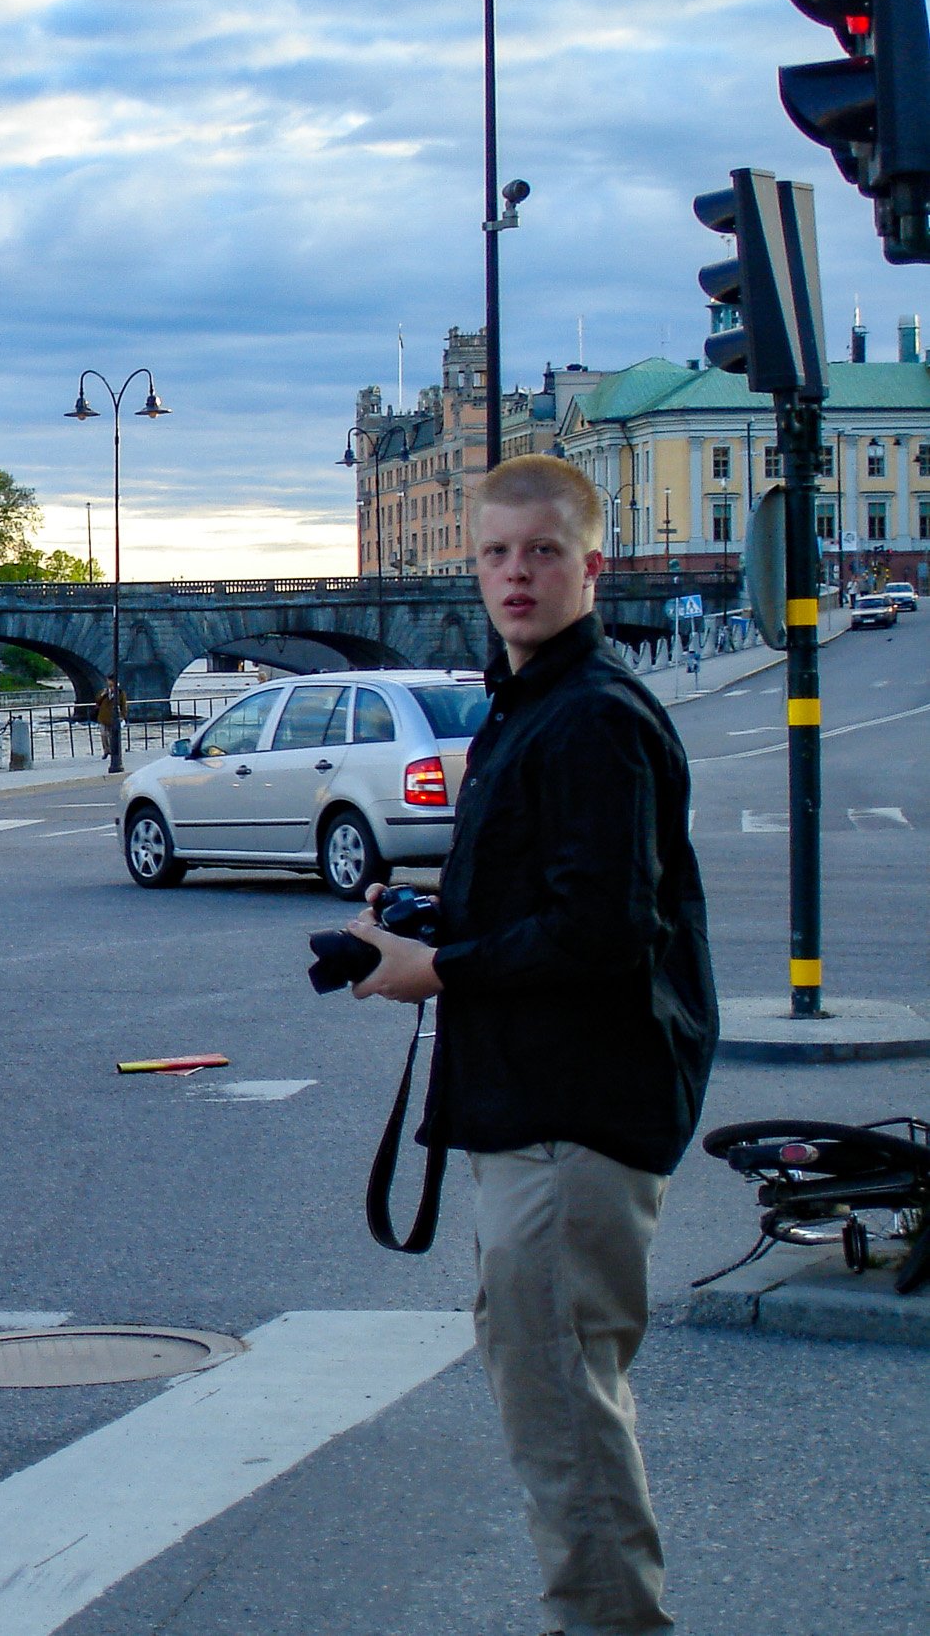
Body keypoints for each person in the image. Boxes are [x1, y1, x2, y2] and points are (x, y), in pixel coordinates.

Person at [345, 453, 716, 1636]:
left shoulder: (590, 716)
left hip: (572, 1114)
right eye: (497, 553)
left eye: (542, 552)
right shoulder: (533, 703)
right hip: (547, 1106)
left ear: (591, 565)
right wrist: (427, 922)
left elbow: (602, 932)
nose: (516, 573)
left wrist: (441, 969)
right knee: (557, 1393)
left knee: (561, 1412)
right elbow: (552, 897)